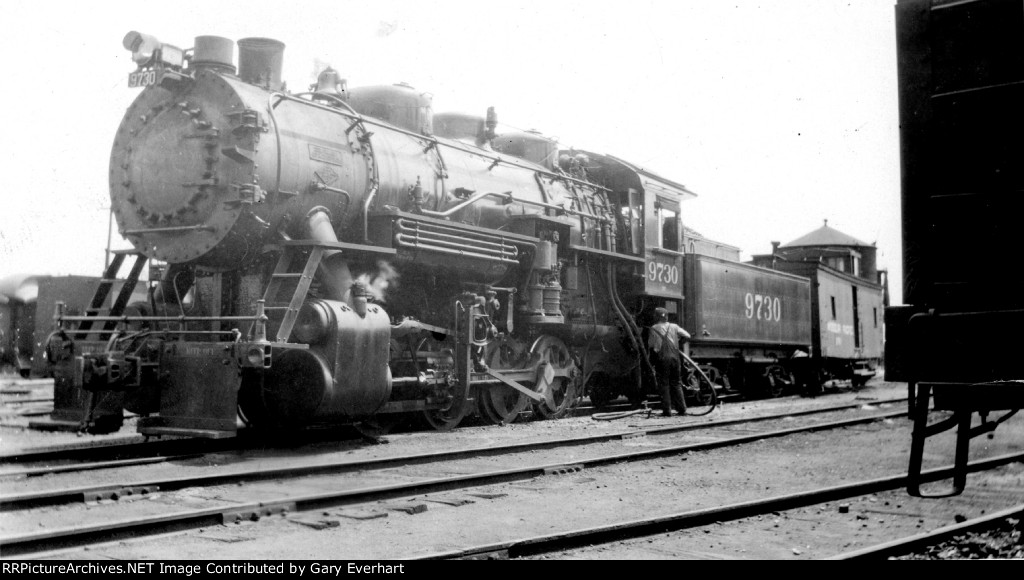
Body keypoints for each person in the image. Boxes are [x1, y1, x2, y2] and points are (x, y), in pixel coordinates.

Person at [647, 307, 691, 416]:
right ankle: (682, 410)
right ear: (666, 317)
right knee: (676, 383)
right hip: (675, 358)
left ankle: (667, 411)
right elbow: (687, 336)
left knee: (664, 384)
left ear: (656, 317)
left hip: (662, 359)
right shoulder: (674, 326)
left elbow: (651, 345)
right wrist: (679, 342)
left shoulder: (653, 328)